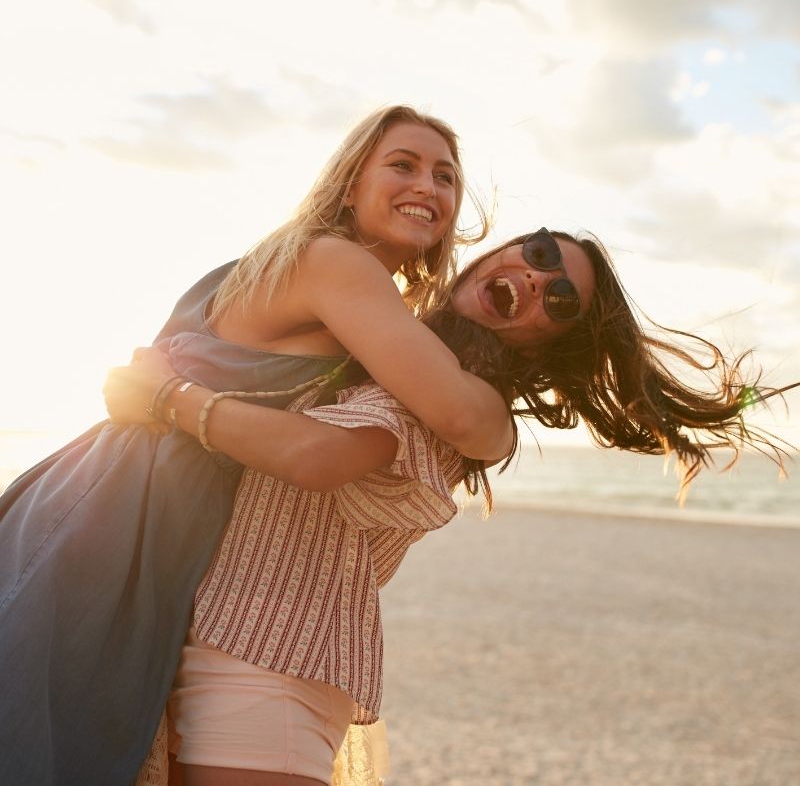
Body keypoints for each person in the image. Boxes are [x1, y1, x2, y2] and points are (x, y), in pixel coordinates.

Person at [108, 228, 796, 786]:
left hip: (275, 663)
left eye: (559, 301)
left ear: (551, 341)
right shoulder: (382, 339)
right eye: (542, 253)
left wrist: (169, 399)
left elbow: (319, 457)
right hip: (210, 641)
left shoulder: (464, 401)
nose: (536, 279)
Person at [0, 105, 516, 786]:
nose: (428, 186)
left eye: (446, 177)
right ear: (350, 180)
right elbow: (460, 414)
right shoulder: (336, 264)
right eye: (403, 165)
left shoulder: (323, 275)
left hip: (109, 501)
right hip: (120, 522)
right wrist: (504, 424)